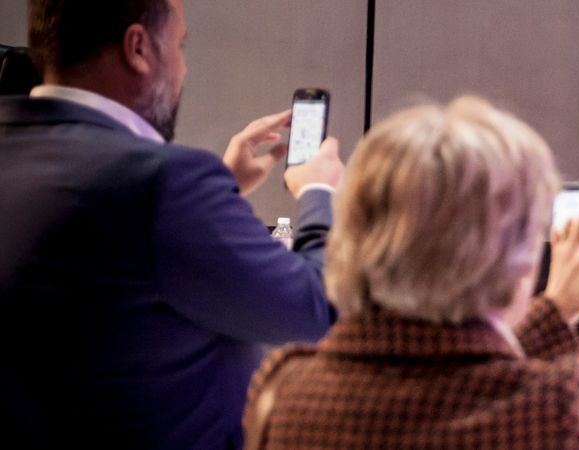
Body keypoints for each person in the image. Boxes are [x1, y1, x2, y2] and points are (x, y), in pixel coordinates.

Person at [244, 97, 579, 449]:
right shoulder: (557, 411)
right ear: (515, 259)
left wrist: (556, 312)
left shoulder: (283, 390)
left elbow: (454, 371)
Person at [0, 0, 344, 448]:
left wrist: (221, 192)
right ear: (138, 48)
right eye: (180, 46)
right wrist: (317, 190)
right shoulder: (163, 182)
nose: (184, 69)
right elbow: (320, 311)